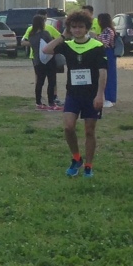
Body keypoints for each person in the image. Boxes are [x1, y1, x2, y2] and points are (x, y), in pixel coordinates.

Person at [52, 10, 106, 178]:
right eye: (74, 27)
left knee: (89, 131)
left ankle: (88, 166)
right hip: (73, 94)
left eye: (80, 27)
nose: (77, 30)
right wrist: (63, 36)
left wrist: (100, 94)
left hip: (91, 95)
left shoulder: (97, 46)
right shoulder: (67, 45)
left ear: (87, 28)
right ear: (70, 28)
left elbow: (103, 72)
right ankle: (76, 158)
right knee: (68, 127)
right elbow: (46, 50)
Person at [27, 14, 60, 110]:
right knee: (51, 81)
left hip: (37, 60)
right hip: (48, 60)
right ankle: (51, 102)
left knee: (40, 82)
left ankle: (38, 102)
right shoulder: (45, 33)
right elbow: (51, 44)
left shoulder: (31, 35)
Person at [97, 12, 119, 108]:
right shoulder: (109, 30)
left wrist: (96, 38)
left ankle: (110, 98)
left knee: (109, 76)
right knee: (109, 75)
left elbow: (104, 44)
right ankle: (108, 97)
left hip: (108, 53)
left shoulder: (107, 31)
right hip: (108, 53)